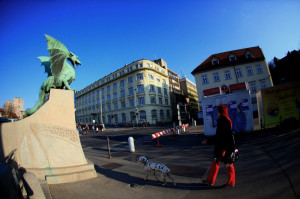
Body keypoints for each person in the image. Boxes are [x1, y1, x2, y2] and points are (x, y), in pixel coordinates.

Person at [202, 104, 236, 188]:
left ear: (221, 112)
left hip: (222, 147)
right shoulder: (226, 120)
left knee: (225, 163)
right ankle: (210, 181)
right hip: (225, 146)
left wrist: (208, 141)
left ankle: (230, 182)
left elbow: (219, 136)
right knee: (223, 163)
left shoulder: (223, 121)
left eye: (218, 111)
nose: (216, 113)